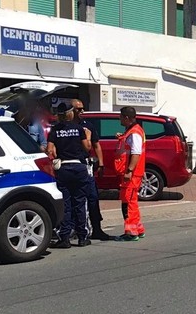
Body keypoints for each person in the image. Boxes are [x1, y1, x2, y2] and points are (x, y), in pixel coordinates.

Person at [46, 102, 92, 248]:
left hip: (63, 168)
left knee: (65, 204)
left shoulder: (55, 130)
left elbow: (50, 151)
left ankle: (64, 238)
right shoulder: (79, 129)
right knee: (79, 202)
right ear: (70, 113)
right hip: (78, 167)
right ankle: (82, 237)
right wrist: (88, 136)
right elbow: (87, 147)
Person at [70, 99, 114, 241]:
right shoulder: (65, 127)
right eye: (78, 109)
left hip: (86, 166)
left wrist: (101, 164)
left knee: (93, 198)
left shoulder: (87, 126)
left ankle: (97, 228)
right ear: (70, 110)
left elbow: (96, 145)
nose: (82, 111)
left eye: (83, 108)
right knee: (73, 200)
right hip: (71, 167)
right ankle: (75, 229)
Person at [114, 106, 146, 241]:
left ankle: (131, 233)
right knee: (132, 202)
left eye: (121, 116)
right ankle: (138, 229)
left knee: (128, 203)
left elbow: (136, 153)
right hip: (132, 173)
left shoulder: (134, 133)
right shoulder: (132, 131)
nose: (119, 119)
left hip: (132, 174)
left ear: (126, 118)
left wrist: (129, 171)